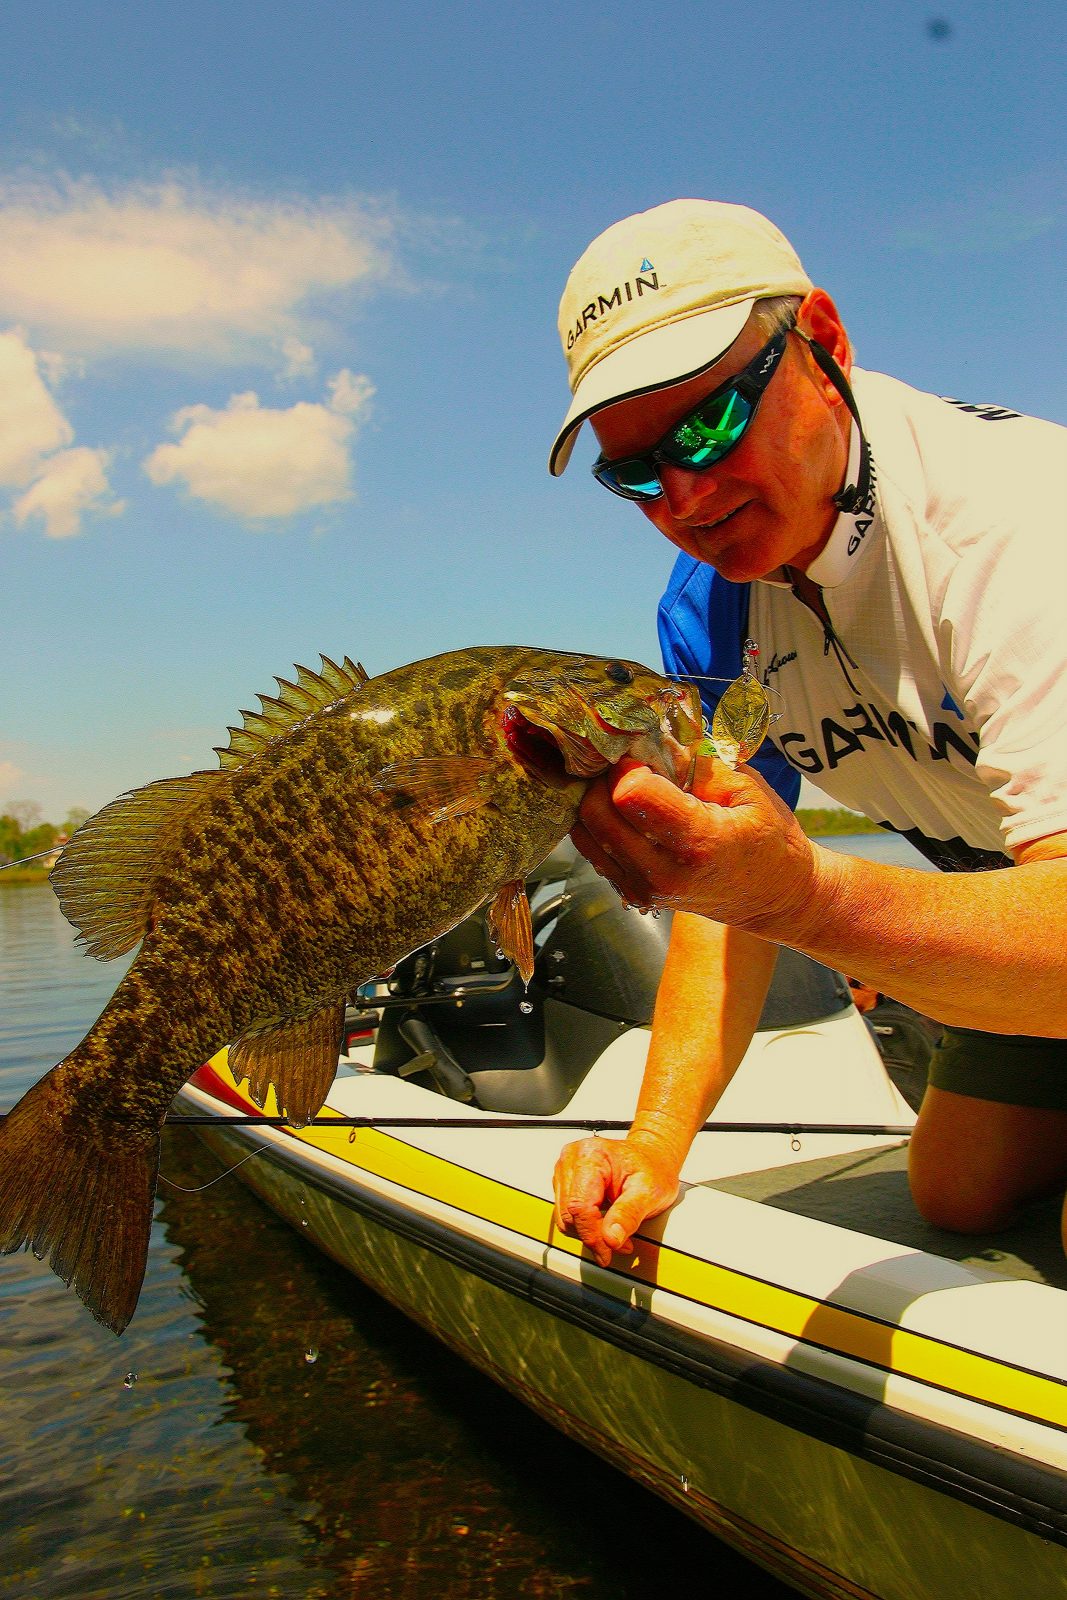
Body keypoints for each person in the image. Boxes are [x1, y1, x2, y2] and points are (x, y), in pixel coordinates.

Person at [546, 198, 1067, 1266]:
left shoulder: (1017, 529)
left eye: (707, 423)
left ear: (821, 342)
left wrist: (812, 898)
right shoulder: (709, 605)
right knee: (955, 1193)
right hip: (1015, 904)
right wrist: (654, 1143)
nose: (683, 497)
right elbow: (724, 903)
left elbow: (777, 897)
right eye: (634, 471)